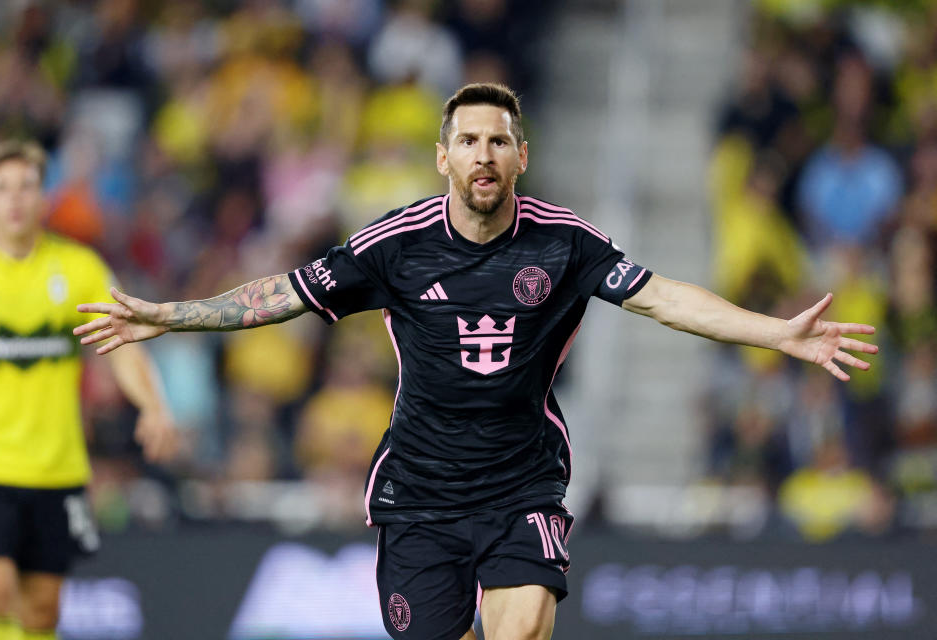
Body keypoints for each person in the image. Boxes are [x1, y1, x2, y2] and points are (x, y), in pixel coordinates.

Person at [74, 84, 878, 640]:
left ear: (520, 156)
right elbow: (283, 293)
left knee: (521, 624)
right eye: (468, 141)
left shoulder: (564, 243)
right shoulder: (394, 243)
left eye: (498, 140)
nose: (483, 154)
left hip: (521, 484)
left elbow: (661, 297)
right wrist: (169, 317)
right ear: (443, 158)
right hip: (418, 496)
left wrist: (776, 333)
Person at [0, 140, 177, 640]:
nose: (16, 198)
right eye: (2, 188)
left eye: (27, 186)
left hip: (57, 465)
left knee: (42, 609)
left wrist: (153, 405)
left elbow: (124, 345)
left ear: (44, 199)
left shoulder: (78, 267)